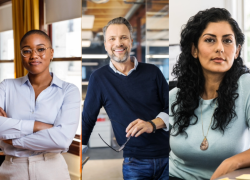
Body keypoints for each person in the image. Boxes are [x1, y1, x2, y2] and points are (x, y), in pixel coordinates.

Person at [82, 17, 169, 180]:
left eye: (123, 37)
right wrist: (79, 150)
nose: (118, 43)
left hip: (169, 156)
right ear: (106, 44)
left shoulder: (153, 72)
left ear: (131, 41)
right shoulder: (99, 78)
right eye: (112, 39)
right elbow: (88, 118)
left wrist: (152, 124)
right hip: (135, 162)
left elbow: (173, 109)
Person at [169, 8, 250, 180]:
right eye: (210, 40)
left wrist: (232, 163)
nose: (220, 48)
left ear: (236, 51)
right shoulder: (175, 96)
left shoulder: (246, 87)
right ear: (194, 50)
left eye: (228, 41)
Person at [0, 30, 80, 180]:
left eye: (41, 49)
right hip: (12, 170)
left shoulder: (68, 91)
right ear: (21, 55)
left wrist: (11, 140)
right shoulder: (6, 87)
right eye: (26, 51)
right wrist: (37, 126)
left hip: (52, 169)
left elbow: (62, 139)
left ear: (51, 53)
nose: (34, 55)